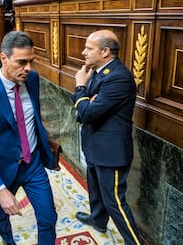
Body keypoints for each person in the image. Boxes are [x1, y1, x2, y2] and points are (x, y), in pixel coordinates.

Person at [0, 31, 57, 244]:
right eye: (22, 62)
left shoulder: (32, 79)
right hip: (3, 169)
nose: (28, 68)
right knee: (2, 216)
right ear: (4, 58)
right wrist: (0, 189)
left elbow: (33, 117)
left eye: (31, 61)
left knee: (48, 217)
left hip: (33, 163)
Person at [71, 30, 141, 244]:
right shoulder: (99, 71)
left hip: (111, 152)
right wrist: (87, 101)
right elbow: (87, 109)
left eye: (89, 48)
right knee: (95, 189)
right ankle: (99, 220)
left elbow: (89, 113)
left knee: (114, 202)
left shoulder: (118, 77)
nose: (83, 52)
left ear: (105, 51)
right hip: (95, 145)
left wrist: (80, 86)